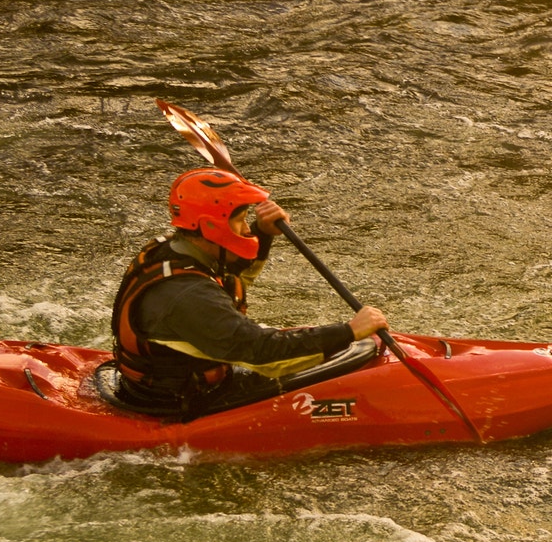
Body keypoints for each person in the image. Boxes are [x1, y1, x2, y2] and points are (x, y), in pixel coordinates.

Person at [108, 167, 388, 419]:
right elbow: (262, 353)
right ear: (210, 226)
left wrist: (262, 232)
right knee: (344, 353)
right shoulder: (189, 295)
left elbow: (228, 282)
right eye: (240, 220)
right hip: (180, 403)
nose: (245, 229)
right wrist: (348, 332)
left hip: (163, 384)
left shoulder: (171, 249)